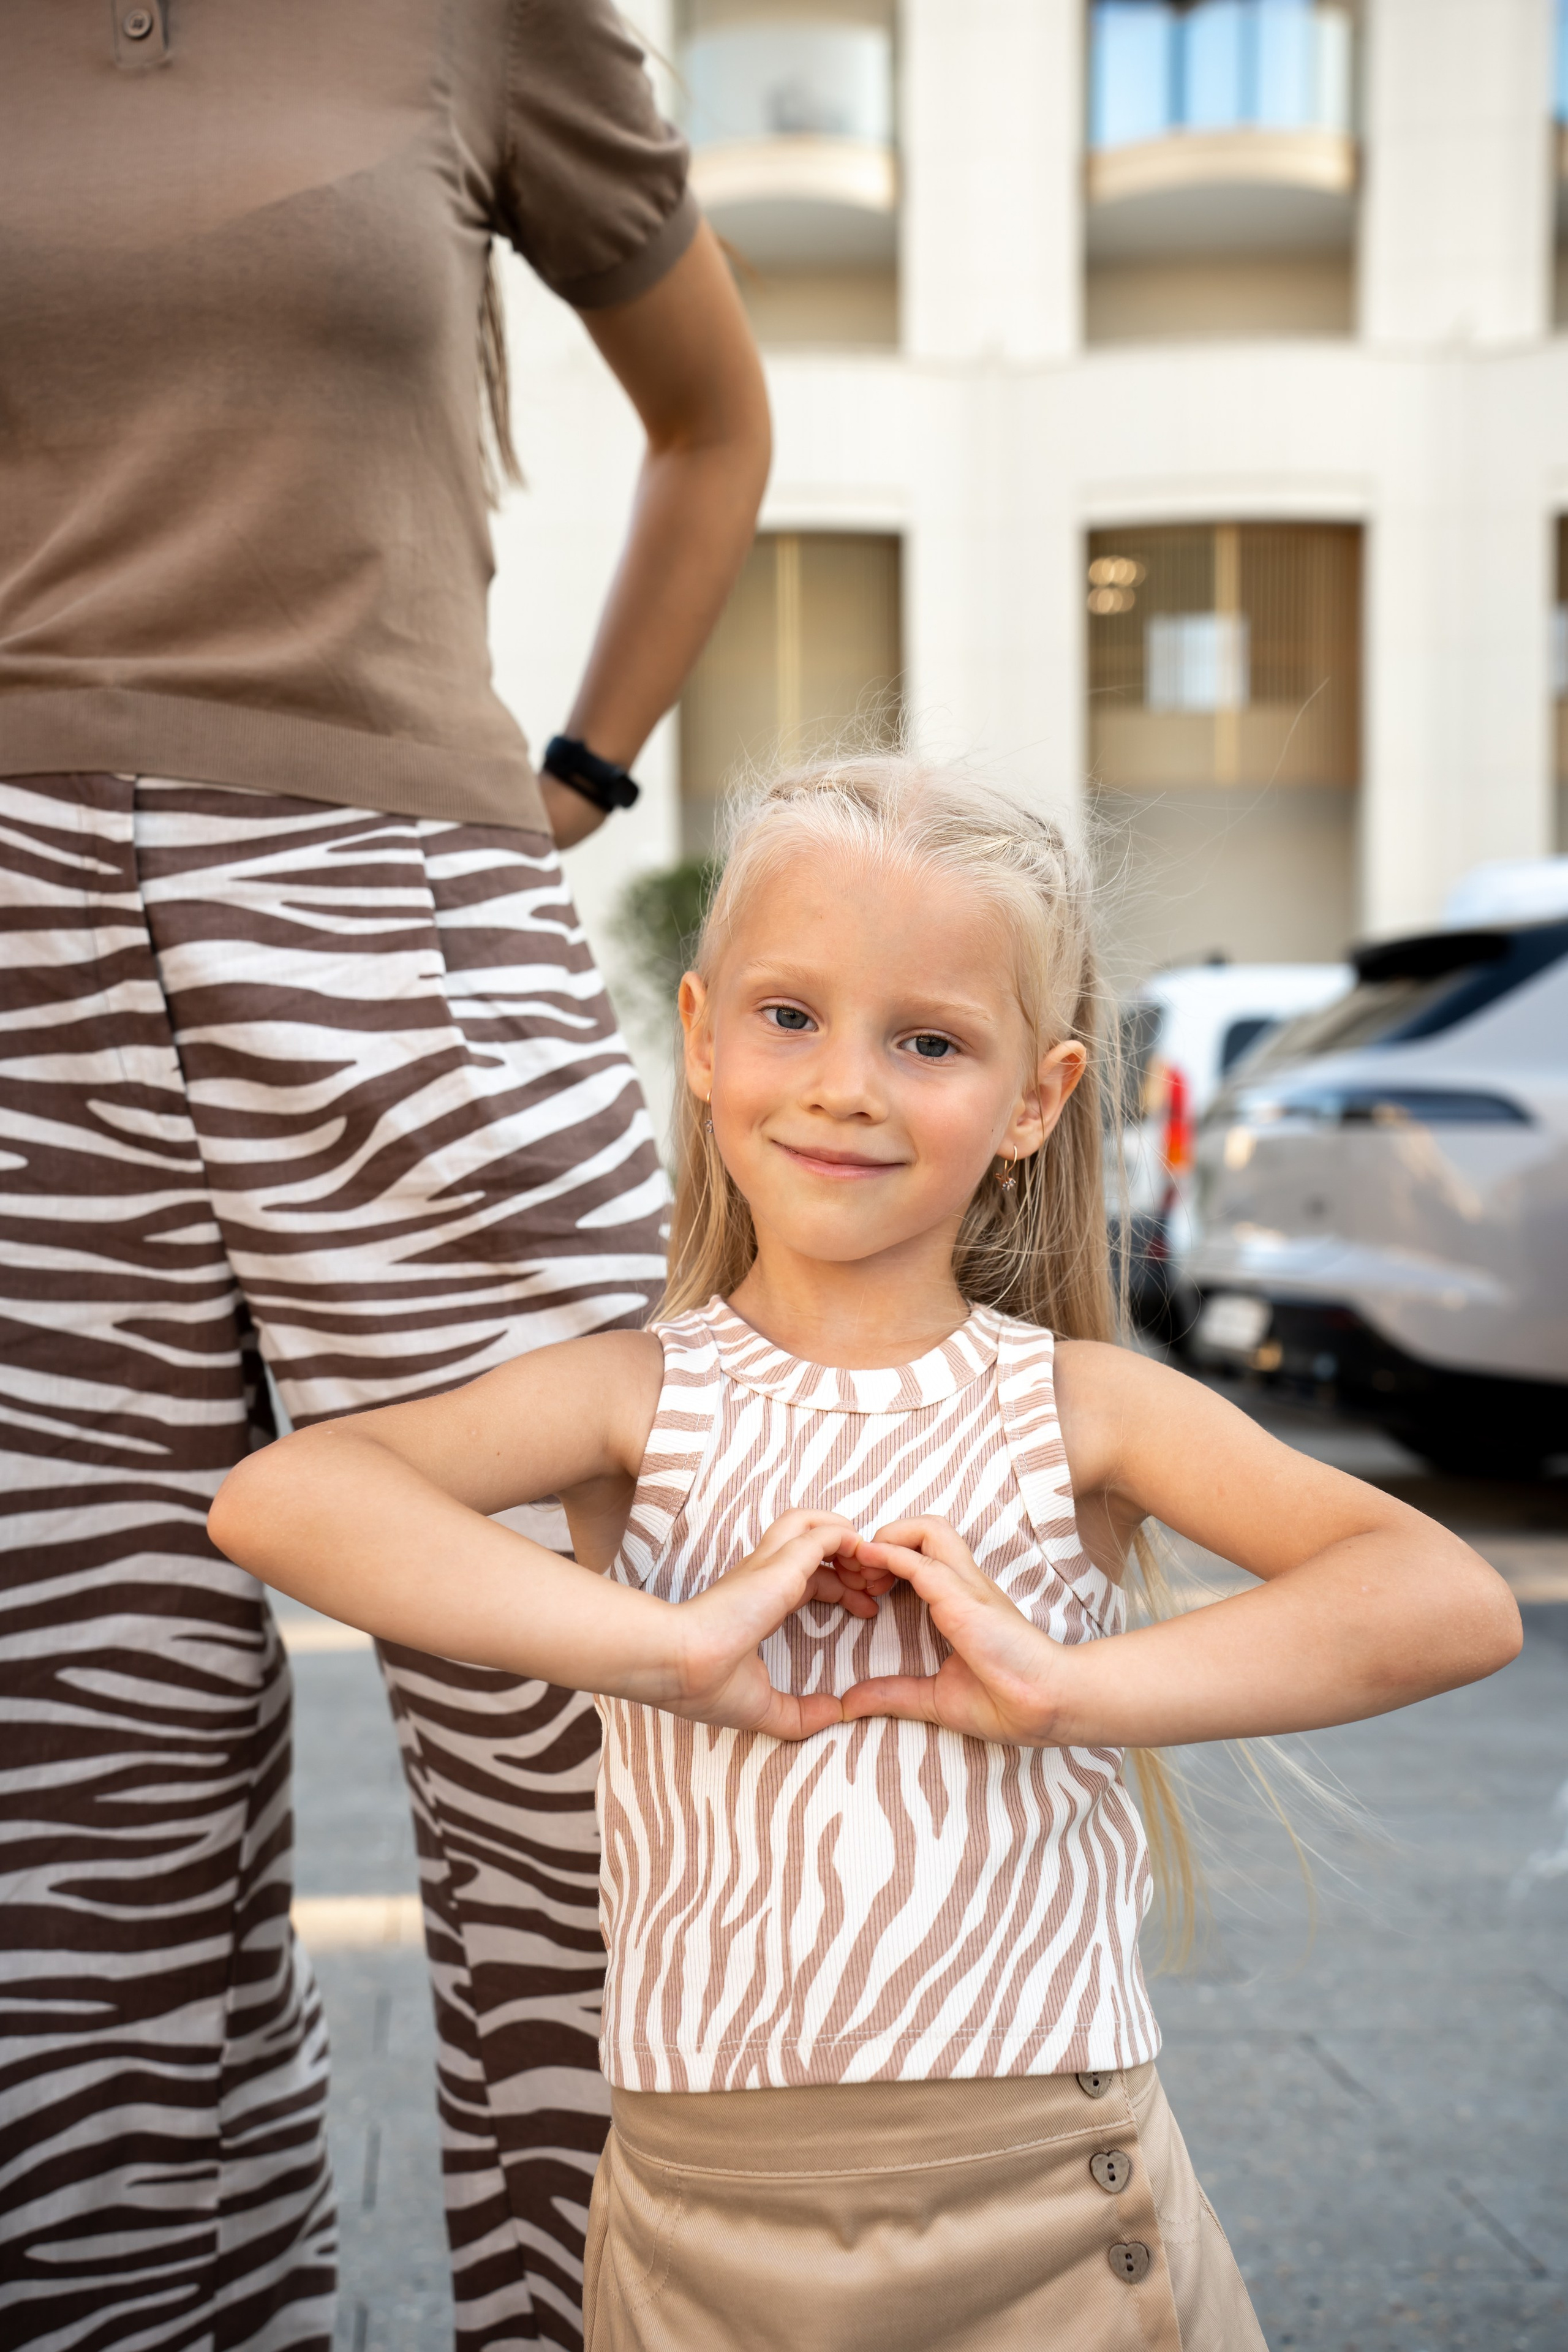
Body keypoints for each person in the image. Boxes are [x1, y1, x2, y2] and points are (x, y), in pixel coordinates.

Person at [207, 760, 1521, 2351]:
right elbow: (285, 1500)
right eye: (790, 1016)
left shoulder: (1085, 1405)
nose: (845, 1086)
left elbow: (1445, 1600)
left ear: (1037, 1097)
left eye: (929, 1042)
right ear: (701, 1038)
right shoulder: (632, 1395)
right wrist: (670, 1649)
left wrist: (1062, 1690)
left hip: (1053, 2195)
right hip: (698, 2211)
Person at [0, 6, 769, 2347]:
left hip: (400, 927)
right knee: (67, 1818)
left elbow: (716, 421)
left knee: (586, 1769)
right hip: (13, 956)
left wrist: (576, 783)